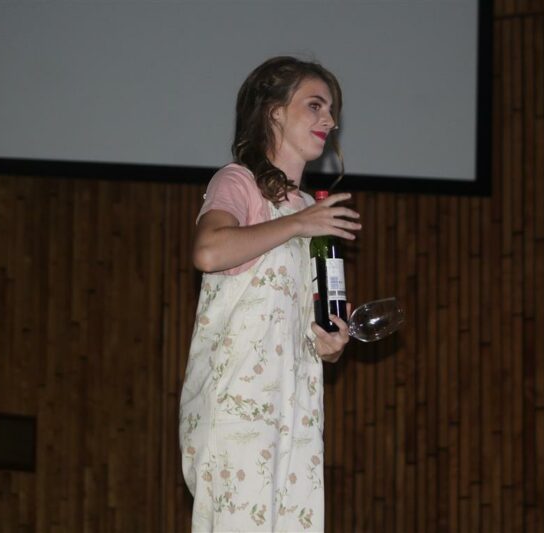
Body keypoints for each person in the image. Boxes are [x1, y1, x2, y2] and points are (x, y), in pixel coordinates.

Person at [178, 56, 361, 532]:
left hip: (296, 414)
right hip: (239, 410)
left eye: (332, 110)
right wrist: (298, 224)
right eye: (315, 105)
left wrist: (331, 343)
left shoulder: (308, 211)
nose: (329, 120)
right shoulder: (238, 182)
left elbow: (312, 334)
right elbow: (208, 251)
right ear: (275, 111)